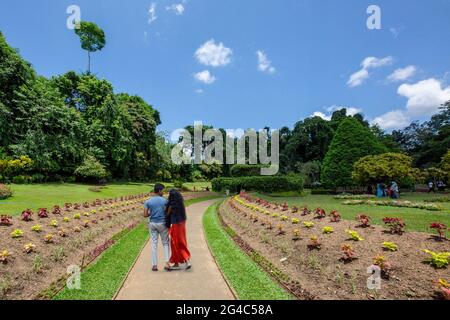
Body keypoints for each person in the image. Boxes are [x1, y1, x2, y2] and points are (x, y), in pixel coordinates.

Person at [143, 184, 171, 272]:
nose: (163, 192)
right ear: (159, 191)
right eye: (163, 190)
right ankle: (167, 264)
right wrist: (165, 214)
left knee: (154, 244)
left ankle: (154, 265)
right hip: (162, 223)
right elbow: (169, 210)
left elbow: (145, 215)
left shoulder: (148, 201)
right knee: (165, 243)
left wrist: (152, 213)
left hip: (152, 224)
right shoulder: (165, 201)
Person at [166, 189, 191, 270]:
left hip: (175, 225)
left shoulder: (171, 204)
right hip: (182, 224)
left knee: (174, 243)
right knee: (182, 242)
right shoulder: (181, 204)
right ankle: (187, 261)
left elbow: (167, 214)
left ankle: (176, 264)